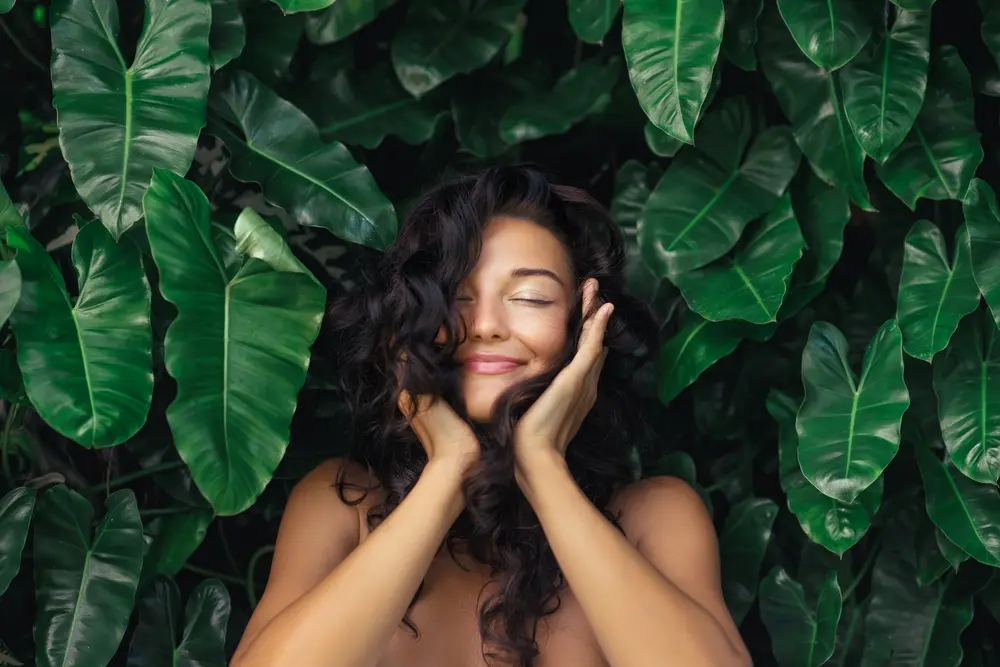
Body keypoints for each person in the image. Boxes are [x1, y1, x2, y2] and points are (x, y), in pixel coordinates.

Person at [229, 165, 752, 667]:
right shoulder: (340, 507)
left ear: (586, 322)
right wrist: (449, 469)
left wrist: (541, 464)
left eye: (529, 296)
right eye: (455, 296)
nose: (484, 325)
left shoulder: (654, 517)